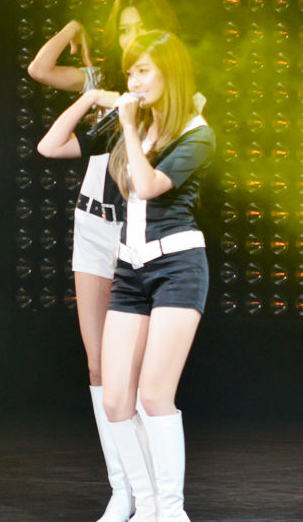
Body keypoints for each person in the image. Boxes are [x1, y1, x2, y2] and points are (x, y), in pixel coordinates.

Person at [38, 31, 214, 522]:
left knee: (153, 395)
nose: (133, 80)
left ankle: (171, 512)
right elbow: (50, 146)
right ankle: (146, 504)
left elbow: (148, 184)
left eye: (143, 70)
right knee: (116, 400)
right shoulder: (126, 125)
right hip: (130, 268)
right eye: (131, 71)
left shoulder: (196, 133)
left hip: (177, 266)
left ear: (169, 75)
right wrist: (92, 98)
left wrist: (131, 128)